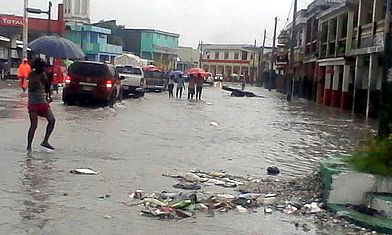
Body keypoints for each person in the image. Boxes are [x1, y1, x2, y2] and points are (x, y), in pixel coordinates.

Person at [27, 58, 56, 154]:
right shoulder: (32, 75)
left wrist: (48, 82)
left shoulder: (44, 75)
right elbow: (31, 88)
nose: (44, 68)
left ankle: (45, 141)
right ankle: (29, 146)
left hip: (43, 102)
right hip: (33, 104)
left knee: (52, 120)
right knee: (34, 125)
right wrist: (38, 81)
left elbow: (47, 89)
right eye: (43, 66)